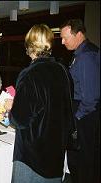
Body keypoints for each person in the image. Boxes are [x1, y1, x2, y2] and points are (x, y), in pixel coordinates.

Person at [3, 24, 74, 182]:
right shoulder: (62, 70)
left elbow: (19, 120)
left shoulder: (29, 74)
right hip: (56, 154)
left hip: (32, 157)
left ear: (29, 45)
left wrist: (11, 106)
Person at [60, 19, 100, 183]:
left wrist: (75, 117)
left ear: (79, 34)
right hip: (83, 113)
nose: (62, 42)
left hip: (84, 116)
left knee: (83, 162)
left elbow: (90, 98)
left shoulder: (86, 57)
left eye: (65, 37)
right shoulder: (81, 53)